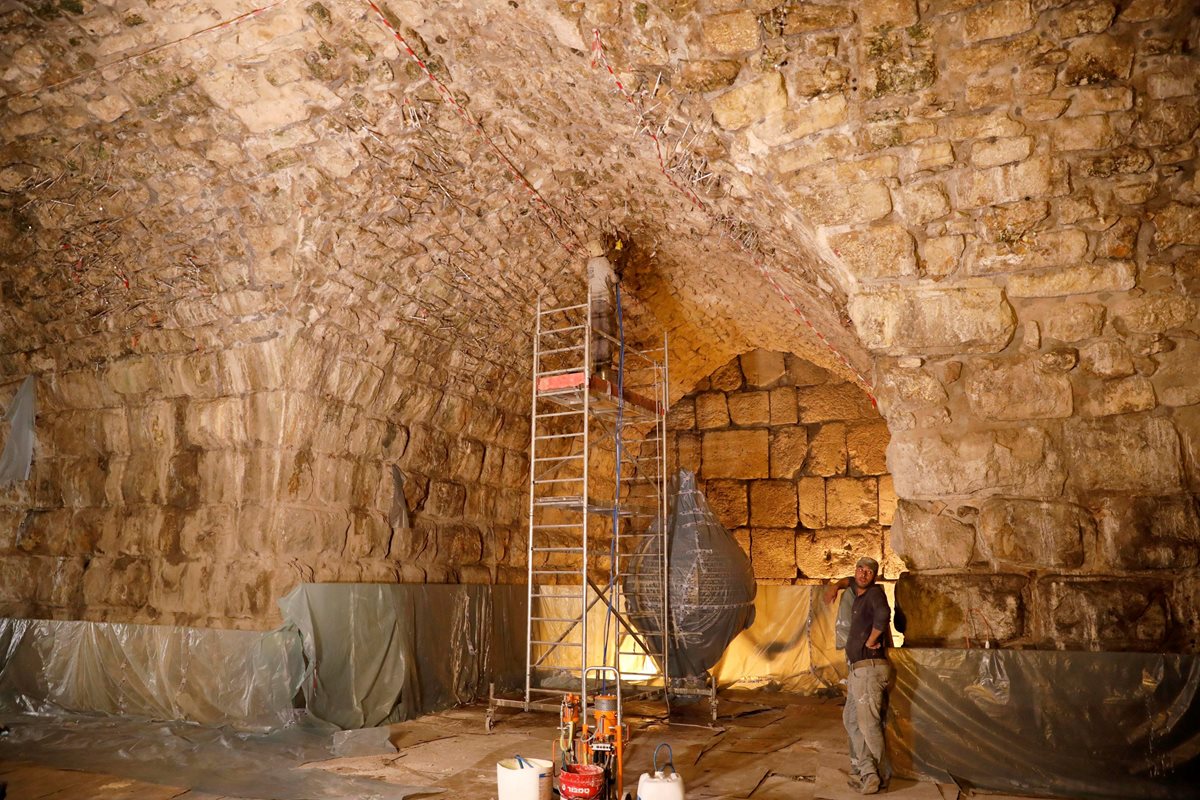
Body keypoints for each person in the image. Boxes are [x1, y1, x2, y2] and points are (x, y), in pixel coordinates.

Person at [824, 557, 893, 795]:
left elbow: (884, 615)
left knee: (868, 724)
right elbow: (849, 582)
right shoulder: (859, 593)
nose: (864, 574)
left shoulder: (874, 595)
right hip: (857, 671)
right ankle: (867, 771)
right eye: (860, 570)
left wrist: (872, 640)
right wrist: (835, 586)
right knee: (851, 720)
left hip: (869, 668)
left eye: (869, 572)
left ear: (874, 576)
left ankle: (879, 775)